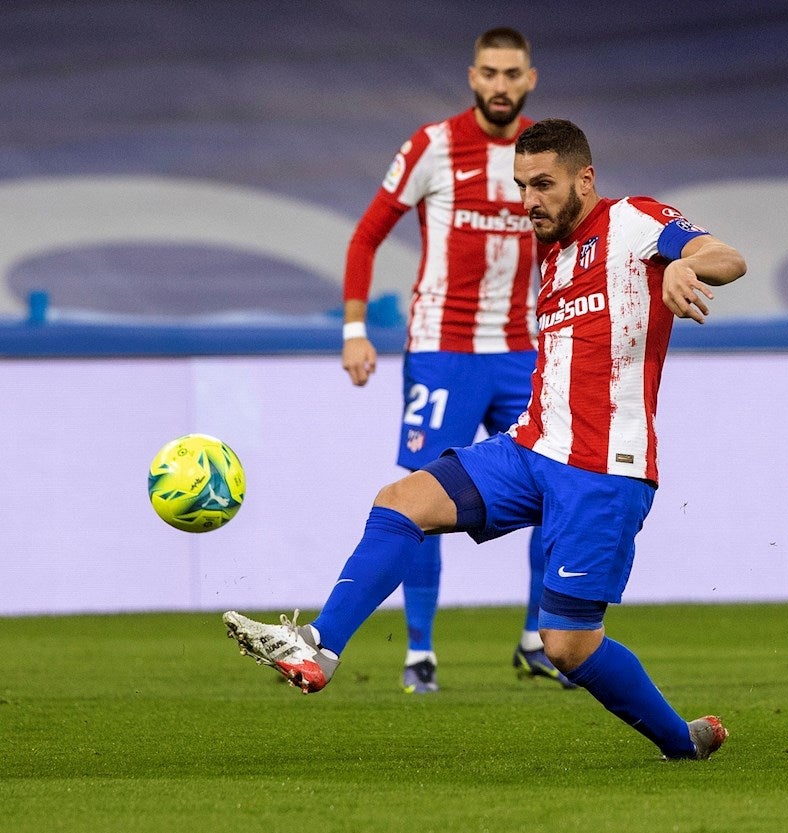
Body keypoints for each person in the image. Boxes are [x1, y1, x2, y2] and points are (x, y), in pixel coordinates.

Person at [224, 118, 747, 760]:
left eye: (545, 184)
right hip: (529, 451)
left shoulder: (631, 221)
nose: (530, 200)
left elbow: (728, 256)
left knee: (567, 645)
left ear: (585, 179)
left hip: (604, 471)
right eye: (522, 186)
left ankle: (680, 741)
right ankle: (320, 649)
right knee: (400, 501)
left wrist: (683, 268)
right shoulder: (552, 258)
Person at [339, 27, 572, 692]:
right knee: (421, 497)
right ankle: (419, 653)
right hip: (442, 351)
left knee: (559, 486)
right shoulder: (433, 146)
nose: (500, 85)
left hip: (522, 350)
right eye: (490, 73)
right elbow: (367, 234)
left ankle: (539, 637)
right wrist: (355, 327)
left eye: (512, 74)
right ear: (473, 76)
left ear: (531, 80)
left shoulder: (543, 155)